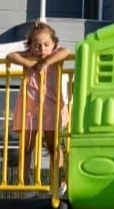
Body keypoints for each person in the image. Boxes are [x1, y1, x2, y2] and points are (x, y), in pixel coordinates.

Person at [9, 22, 70, 192]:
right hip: (29, 108)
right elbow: (11, 55)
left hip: (50, 106)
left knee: (53, 146)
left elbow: (67, 51)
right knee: (27, 147)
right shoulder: (30, 56)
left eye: (46, 44)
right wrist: (28, 63)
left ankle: (57, 181)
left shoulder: (55, 54)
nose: (42, 49)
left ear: (53, 44)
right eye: (37, 45)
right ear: (30, 46)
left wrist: (47, 62)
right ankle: (25, 183)